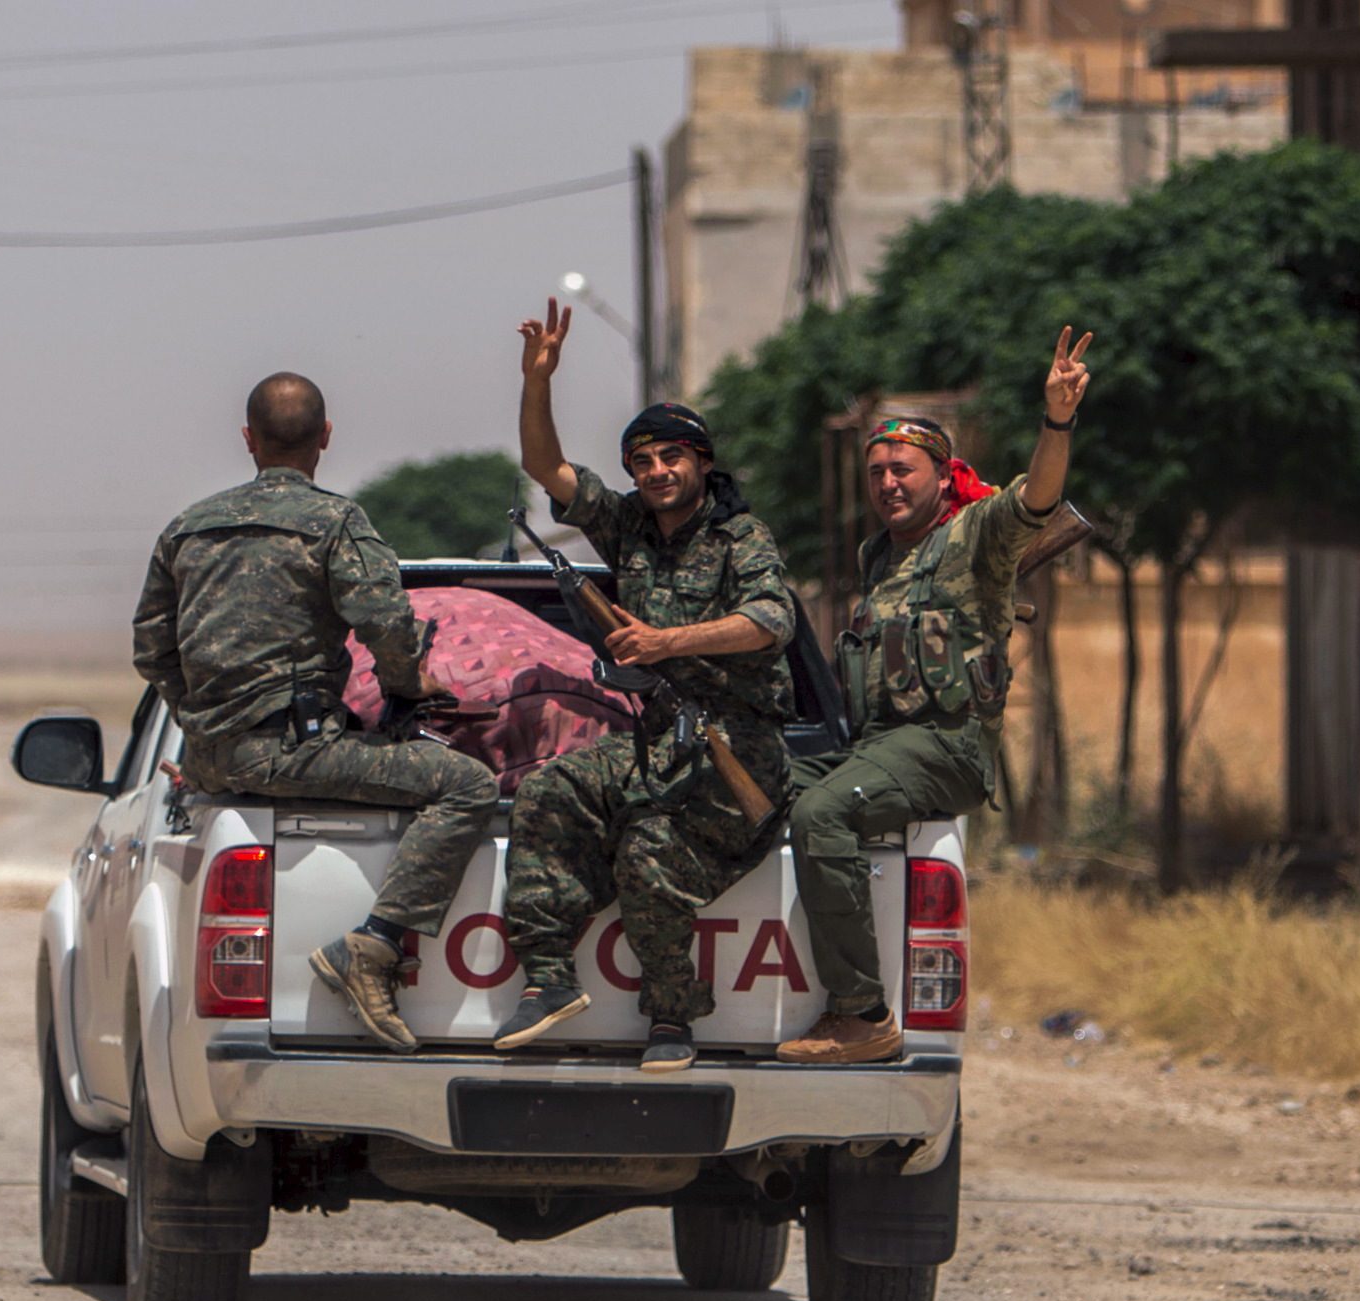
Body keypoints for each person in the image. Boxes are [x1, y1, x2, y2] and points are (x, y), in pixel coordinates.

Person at [132, 372, 499, 1054]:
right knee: (469, 784)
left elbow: (152, 650)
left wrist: (206, 721)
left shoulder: (187, 528)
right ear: (325, 438)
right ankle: (375, 947)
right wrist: (408, 684)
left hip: (213, 758)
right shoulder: (336, 523)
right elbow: (386, 625)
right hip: (294, 753)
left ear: (248, 439)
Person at [492, 301, 795, 1074]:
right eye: (643, 461)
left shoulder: (740, 538)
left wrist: (667, 642)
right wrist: (538, 382)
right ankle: (550, 977)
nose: (657, 472)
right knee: (548, 792)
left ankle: (671, 1019)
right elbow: (546, 470)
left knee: (650, 850)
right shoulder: (627, 526)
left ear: (701, 462)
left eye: (671, 458)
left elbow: (770, 618)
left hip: (740, 750)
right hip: (659, 742)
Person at [777, 327, 1094, 1064]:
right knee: (761, 782)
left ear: (941, 474)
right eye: (878, 470)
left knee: (824, 813)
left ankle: (860, 1014)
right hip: (875, 746)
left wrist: (1057, 420)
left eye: (905, 469)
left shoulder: (976, 534)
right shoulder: (877, 557)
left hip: (945, 745)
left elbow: (1039, 498)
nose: (889, 482)